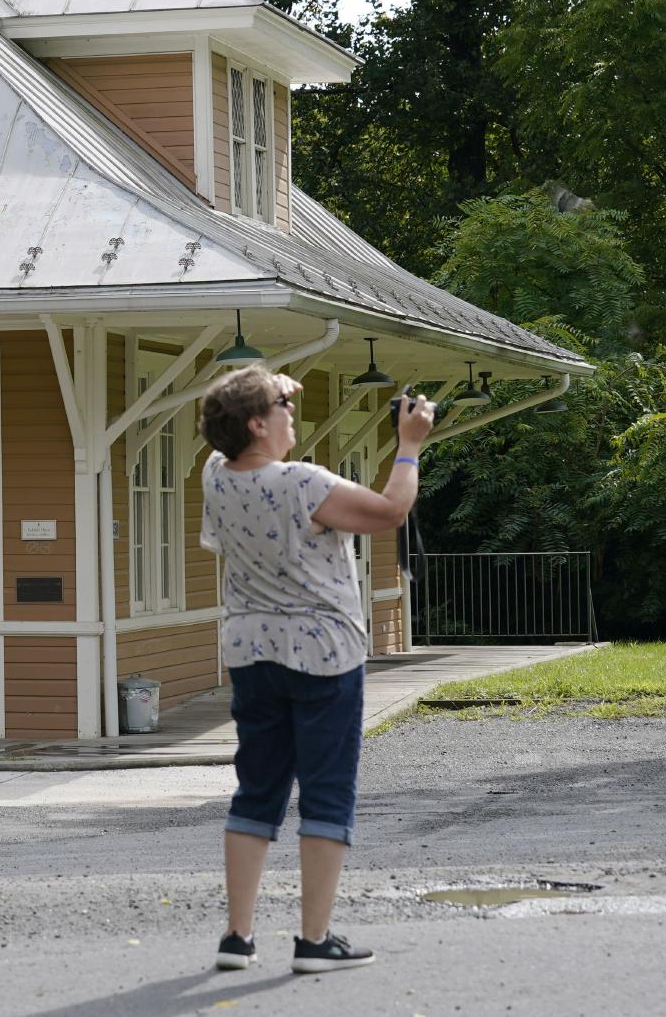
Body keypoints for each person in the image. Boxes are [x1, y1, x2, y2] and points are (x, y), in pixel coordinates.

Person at [197, 363, 434, 974]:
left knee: (257, 790)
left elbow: (238, 427)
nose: (291, 410)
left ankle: (238, 937)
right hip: (324, 653)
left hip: (252, 654)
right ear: (256, 422)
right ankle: (313, 940)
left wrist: (264, 384)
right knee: (327, 792)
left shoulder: (215, 476)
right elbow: (388, 512)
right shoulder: (305, 484)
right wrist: (408, 447)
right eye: (281, 404)